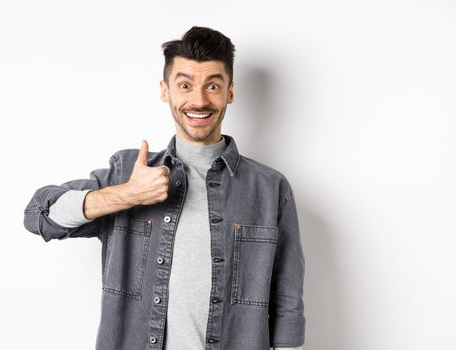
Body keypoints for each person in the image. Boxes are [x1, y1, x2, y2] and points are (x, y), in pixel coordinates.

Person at [23, 26, 305, 350]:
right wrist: (127, 194)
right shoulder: (128, 173)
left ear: (229, 92)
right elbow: (38, 215)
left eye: (212, 85)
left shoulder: (270, 190)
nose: (198, 100)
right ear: (165, 90)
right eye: (185, 85)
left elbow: (287, 303)